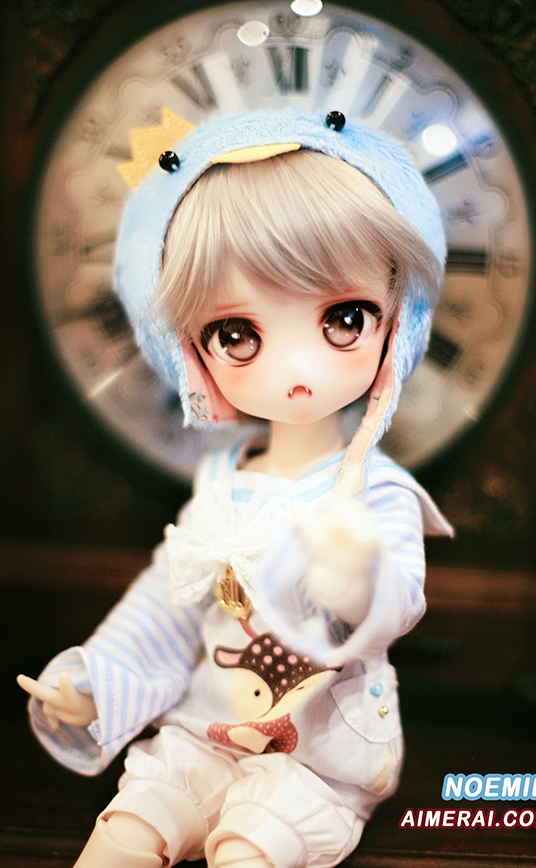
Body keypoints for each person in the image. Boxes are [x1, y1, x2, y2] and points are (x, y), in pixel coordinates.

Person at [18, 109, 452, 868]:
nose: (297, 370)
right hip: (204, 731)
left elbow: (399, 602)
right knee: (129, 827)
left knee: (254, 845)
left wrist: (355, 580)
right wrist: (98, 678)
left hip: (318, 756)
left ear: (397, 322)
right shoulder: (221, 481)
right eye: (237, 335)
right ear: (190, 353)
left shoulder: (374, 491)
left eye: (344, 318)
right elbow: (168, 599)